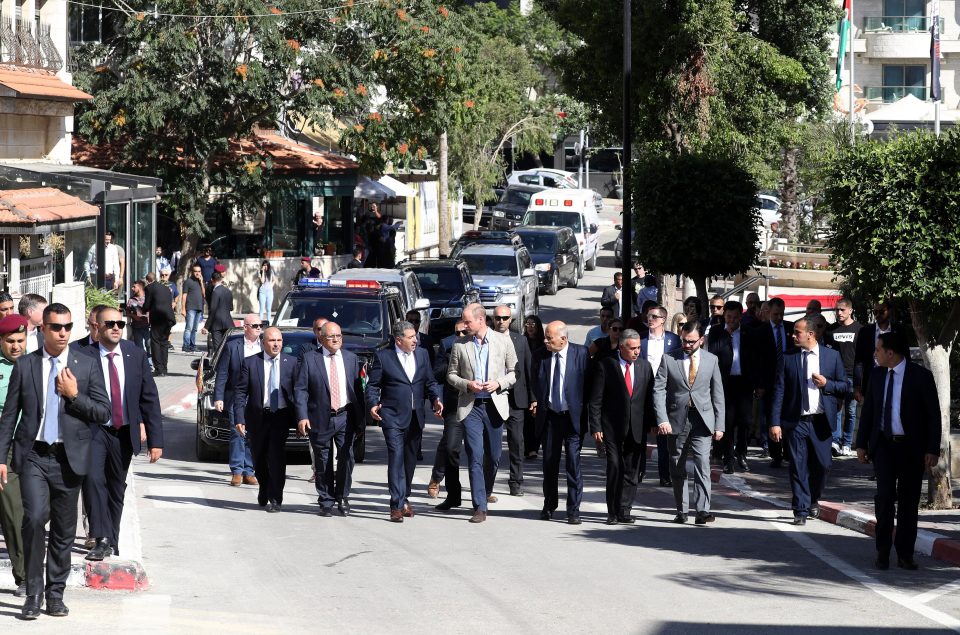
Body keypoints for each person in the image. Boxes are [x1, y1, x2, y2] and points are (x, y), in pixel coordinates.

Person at [0, 303, 111, 619]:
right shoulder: (26, 365)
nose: (63, 333)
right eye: (56, 327)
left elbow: (103, 413)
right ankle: (33, 594)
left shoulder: (87, 365)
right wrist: (1, 457)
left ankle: (55, 595)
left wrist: (74, 396)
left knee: (63, 532)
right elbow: (9, 416)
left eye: (67, 327)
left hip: (69, 460)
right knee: (33, 520)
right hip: (34, 456)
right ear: (43, 329)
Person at [76, 307, 162, 561]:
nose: (116, 327)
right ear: (97, 327)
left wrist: (156, 440)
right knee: (93, 481)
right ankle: (101, 537)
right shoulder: (81, 354)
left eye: (120, 324)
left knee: (116, 486)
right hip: (93, 430)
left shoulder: (134, 354)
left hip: (123, 431)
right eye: (110, 323)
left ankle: (111, 538)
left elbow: (149, 398)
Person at [856, 331, 941, 570]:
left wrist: (932, 449)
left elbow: (933, 416)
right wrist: (861, 444)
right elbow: (869, 411)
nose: (875, 354)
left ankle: (905, 553)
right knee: (884, 499)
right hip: (883, 446)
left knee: (908, 501)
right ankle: (882, 551)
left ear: (890, 353)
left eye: (878, 349)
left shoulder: (920, 377)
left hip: (911, 448)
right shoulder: (877, 375)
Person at [444, 303, 517, 523]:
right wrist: (467, 384)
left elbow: (514, 372)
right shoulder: (460, 345)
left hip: (495, 406)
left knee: (493, 456)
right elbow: (451, 375)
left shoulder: (503, 341)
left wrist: (499, 383)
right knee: (475, 455)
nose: (464, 325)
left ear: (480, 320)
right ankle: (480, 506)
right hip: (471, 406)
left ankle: (485, 491)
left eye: (467, 321)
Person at [770, 316, 846, 526]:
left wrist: (827, 384)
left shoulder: (831, 356)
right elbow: (779, 391)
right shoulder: (788, 357)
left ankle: (812, 498)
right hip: (796, 422)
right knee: (797, 466)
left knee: (823, 465)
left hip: (821, 421)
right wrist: (775, 422)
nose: (792, 335)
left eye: (797, 332)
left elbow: (845, 386)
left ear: (810, 334)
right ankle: (800, 509)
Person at [367, 321, 442, 522]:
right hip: (391, 416)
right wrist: (373, 403)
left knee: (409, 461)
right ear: (398, 340)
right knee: (396, 457)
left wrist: (436, 398)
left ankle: (405, 498)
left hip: (416, 417)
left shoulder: (423, 354)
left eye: (415, 336)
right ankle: (396, 505)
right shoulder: (383, 357)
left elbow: (430, 381)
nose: (415, 340)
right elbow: (373, 385)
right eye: (411, 337)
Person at [654, 321, 725, 525]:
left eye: (691, 341)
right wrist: (662, 419)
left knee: (703, 464)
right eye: (684, 340)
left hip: (702, 420)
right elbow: (658, 390)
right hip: (677, 420)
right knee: (677, 465)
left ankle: (702, 510)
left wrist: (719, 425)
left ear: (701, 340)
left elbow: (718, 394)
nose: (686, 344)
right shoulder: (669, 359)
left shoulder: (711, 360)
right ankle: (682, 510)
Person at [295, 321, 364, 516]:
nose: (336, 340)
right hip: (320, 417)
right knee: (323, 459)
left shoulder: (351, 359)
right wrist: (302, 416)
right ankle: (326, 499)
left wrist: (361, 421)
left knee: (346, 457)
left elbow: (357, 391)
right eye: (331, 336)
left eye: (339, 336)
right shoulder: (310, 359)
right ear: (321, 338)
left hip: (345, 415)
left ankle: (342, 496)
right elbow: (301, 390)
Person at [589, 328, 655, 524]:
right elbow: (595, 400)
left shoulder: (644, 367)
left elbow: (649, 398)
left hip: (636, 427)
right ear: (621, 347)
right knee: (615, 467)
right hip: (612, 428)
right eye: (632, 348)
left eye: (639, 348)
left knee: (632, 470)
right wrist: (596, 426)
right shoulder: (606, 365)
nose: (636, 352)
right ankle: (612, 511)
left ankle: (624, 510)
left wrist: (652, 422)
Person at [533, 321, 589, 524]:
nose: (545, 340)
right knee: (549, 463)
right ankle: (550, 504)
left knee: (573, 464)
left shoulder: (580, 354)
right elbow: (535, 380)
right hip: (550, 417)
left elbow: (588, 386)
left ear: (563, 339)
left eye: (550, 338)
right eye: (546, 337)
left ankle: (573, 510)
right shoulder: (541, 355)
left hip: (572, 418)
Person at [235, 327, 296, 512]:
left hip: (281, 417)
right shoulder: (251, 363)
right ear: (263, 343)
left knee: (276, 456)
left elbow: (300, 393)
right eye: (271, 341)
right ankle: (264, 485)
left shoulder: (292, 363)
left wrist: (302, 417)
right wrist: (239, 417)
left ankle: (276, 498)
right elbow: (240, 392)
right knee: (258, 457)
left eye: (279, 340)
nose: (276, 344)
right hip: (258, 418)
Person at [0, 315, 29, 597]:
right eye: (10, 341)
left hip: (25, 446)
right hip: (3, 444)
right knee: (12, 513)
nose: (16, 346)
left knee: (21, 513)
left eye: (21, 340)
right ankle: (24, 576)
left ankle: (26, 574)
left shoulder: (35, 365)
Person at [214, 315, 262, 486]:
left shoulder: (264, 346)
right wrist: (218, 397)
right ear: (245, 327)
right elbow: (222, 373)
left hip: (257, 397)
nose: (258, 328)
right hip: (236, 396)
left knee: (252, 434)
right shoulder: (232, 346)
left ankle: (249, 471)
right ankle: (236, 471)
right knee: (237, 432)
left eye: (260, 325)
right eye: (255, 325)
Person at [492, 305, 534, 497]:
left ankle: (516, 482)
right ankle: (487, 483)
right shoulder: (487, 339)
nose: (501, 321)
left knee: (517, 442)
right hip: (493, 397)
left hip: (516, 399)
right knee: (491, 444)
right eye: (498, 318)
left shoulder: (521, 340)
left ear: (511, 320)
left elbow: (527, 369)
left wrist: (533, 397)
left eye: (505, 318)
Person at [708, 301, 753, 474]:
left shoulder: (748, 333)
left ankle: (741, 452)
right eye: (729, 317)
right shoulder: (717, 332)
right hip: (724, 383)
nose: (732, 320)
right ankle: (728, 458)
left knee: (745, 421)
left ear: (740, 316)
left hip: (743, 382)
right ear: (724, 316)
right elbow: (714, 352)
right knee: (727, 421)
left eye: (735, 317)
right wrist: (727, 335)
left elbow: (754, 358)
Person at [751, 296, 794, 467]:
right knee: (771, 417)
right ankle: (776, 454)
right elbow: (757, 359)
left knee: (788, 416)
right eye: (775, 314)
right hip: (768, 381)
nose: (778, 318)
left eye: (781, 314)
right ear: (769, 312)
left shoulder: (791, 329)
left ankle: (790, 454)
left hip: (788, 380)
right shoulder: (761, 331)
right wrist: (758, 384)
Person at [641, 305, 681, 487]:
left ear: (663, 320)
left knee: (664, 435)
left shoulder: (674, 340)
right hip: (643, 391)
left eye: (655, 317)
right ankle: (638, 471)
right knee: (640, 434)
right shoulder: (641, 339)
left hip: (665, 392)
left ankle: (665, 475)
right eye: (649, 316)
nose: (651, 319)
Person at [427, 319, 466, 500]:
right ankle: (437, 478)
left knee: (481, 448)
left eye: (464, 333)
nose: (460, 336)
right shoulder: (447, 344)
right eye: (457, 333)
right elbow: (436, 374)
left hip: (475, 404)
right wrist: (452, 360)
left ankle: (484, 489)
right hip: (453, 403)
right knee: (449, 445)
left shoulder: (479, 346)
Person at [826, 298, 861, 456]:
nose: (839, 313)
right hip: (836, 376)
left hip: (853, 376)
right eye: (837, 310)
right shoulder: (831, 330)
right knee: (837, 409)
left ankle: (847, 443)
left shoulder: (859, 329)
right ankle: (835, 441)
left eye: (842, 310)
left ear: (850, 310)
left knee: (851, 410)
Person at [853, 300, 897, 403]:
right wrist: (857, 386)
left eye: (881, 312)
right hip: (872, 380)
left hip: (894, 379)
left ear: (889, 311)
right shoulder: (865, 332)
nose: (877, 315)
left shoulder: (898, 330)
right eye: (875, 312)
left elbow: (905, 357)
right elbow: (859, 360)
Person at [522, 315, 546, 459]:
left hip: (538, 384)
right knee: (526, 419)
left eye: (533, 324)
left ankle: (534, 448)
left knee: (536, 418)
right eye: (527, 324)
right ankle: (527, 447)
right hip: (524, 384)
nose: (530, 327)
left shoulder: (543, 344)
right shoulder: (522, 341)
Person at [143, 272, 175, 377]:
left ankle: (159, 369)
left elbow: (147, 305)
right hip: (169, 318)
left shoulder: (149, 288)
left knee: (155, 342)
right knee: (164, 343)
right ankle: (164, 369)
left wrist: (142, 309)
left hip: (158, 318)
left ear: (147, 280)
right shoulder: (165, 288)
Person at [204, 270, 234, 354]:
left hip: (217, 325)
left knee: (218, 350)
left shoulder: (215, 292)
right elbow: (231, 308)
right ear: (221, 279)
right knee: (228, 348)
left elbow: (213, 310)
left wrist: (206, 326)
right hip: (228, 322)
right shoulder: (228, 291)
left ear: (212, 280)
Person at [181, 264, 205, 353]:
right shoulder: (188, 281)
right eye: (196, 271)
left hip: (199, 308)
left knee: (194, 329)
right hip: (191, 307)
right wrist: (183, 308)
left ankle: (192, 345)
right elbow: (184, 295)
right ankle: (186, 345)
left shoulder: (200, 281)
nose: (197, 273)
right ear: (192, 272)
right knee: (189, 328)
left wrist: (202, 282)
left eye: (199, 271)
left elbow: (204, 294)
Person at [126, 281, 150, 357]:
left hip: (148, 327)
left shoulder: (148, 298)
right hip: (136, 327)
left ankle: (150, 362)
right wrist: (134, 316)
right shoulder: (131, 300)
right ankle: (145, 364)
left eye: (134, 287)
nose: (132, 288)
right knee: (139, 347)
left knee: (149, 345)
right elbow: (127, 312)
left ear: (139, 287)